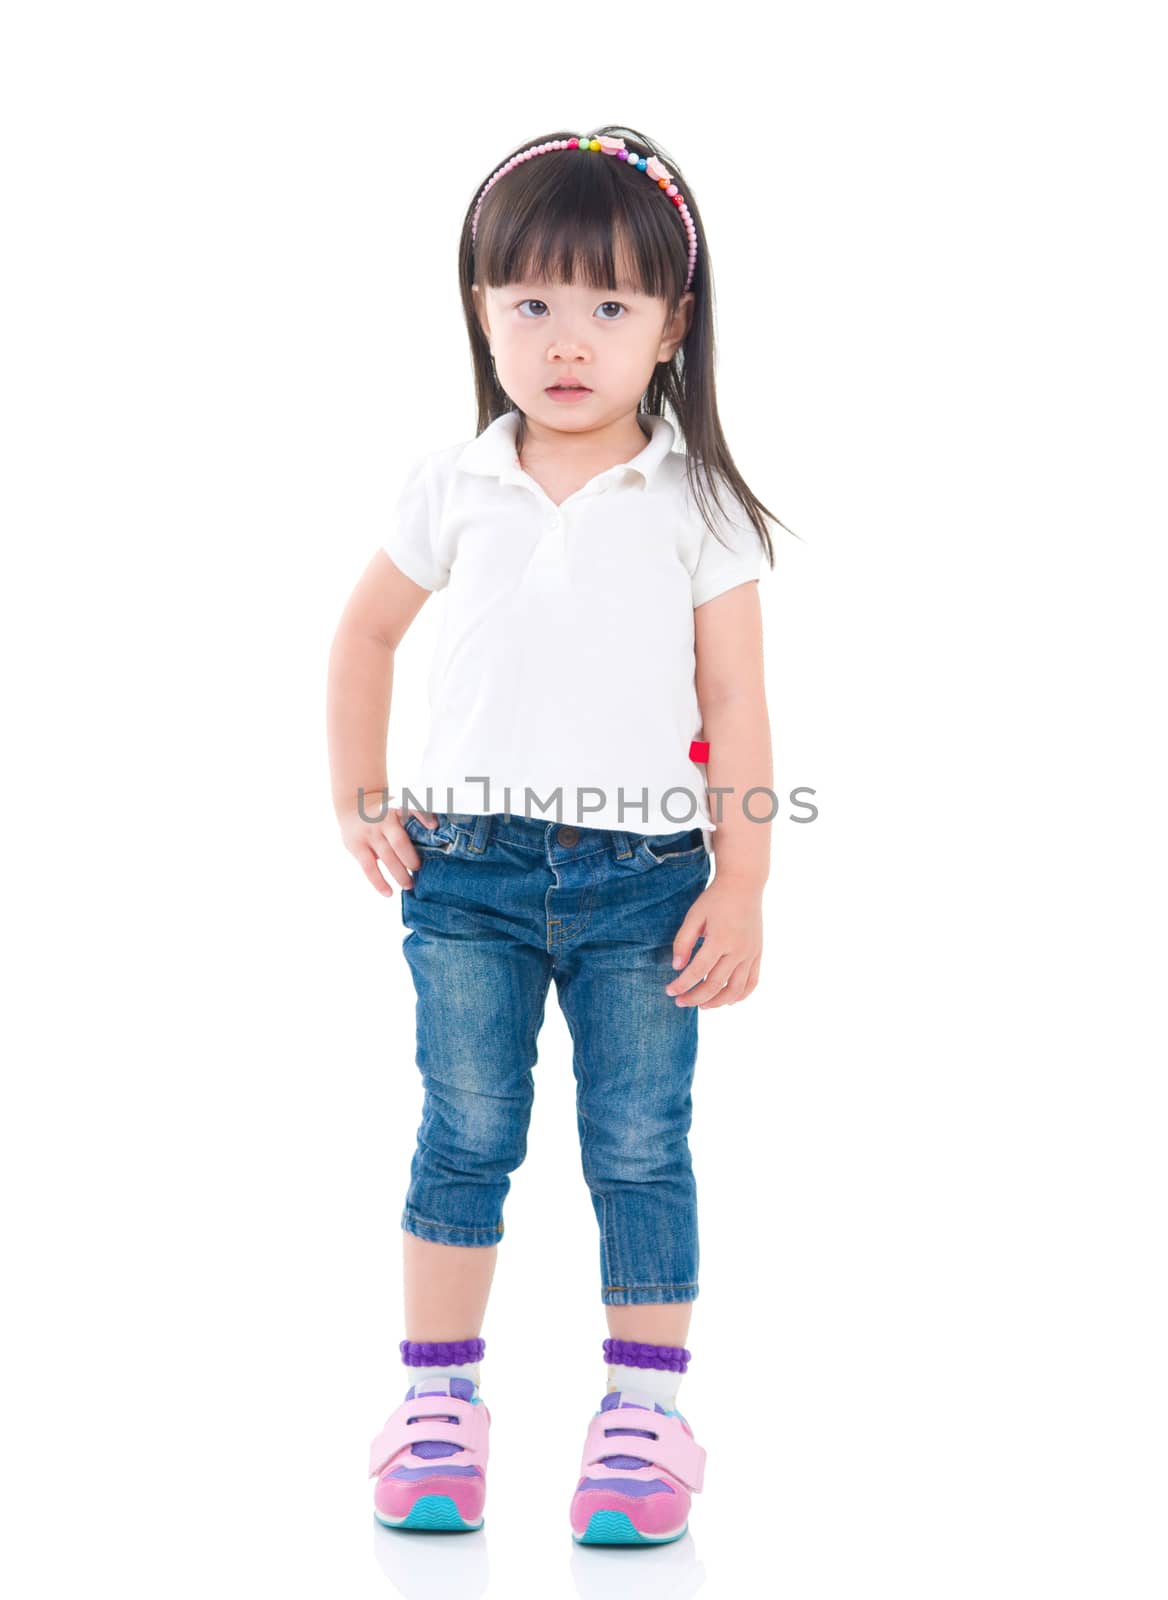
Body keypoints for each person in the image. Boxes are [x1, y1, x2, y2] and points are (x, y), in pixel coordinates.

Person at [327, 124, 792, 1545]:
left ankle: (642, 1419)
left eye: (609, 305)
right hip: (464, 875)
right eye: (530, 302)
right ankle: (437, 1404)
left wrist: (748, 877)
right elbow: (364, 635)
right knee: (465, 1132)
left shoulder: (695, 501)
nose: (566, 338)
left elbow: (735, 696)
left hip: (644, 886)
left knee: (640, 1146)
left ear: (672, 326)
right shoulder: (454, 484)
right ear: (481, 311)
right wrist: (361, 789)